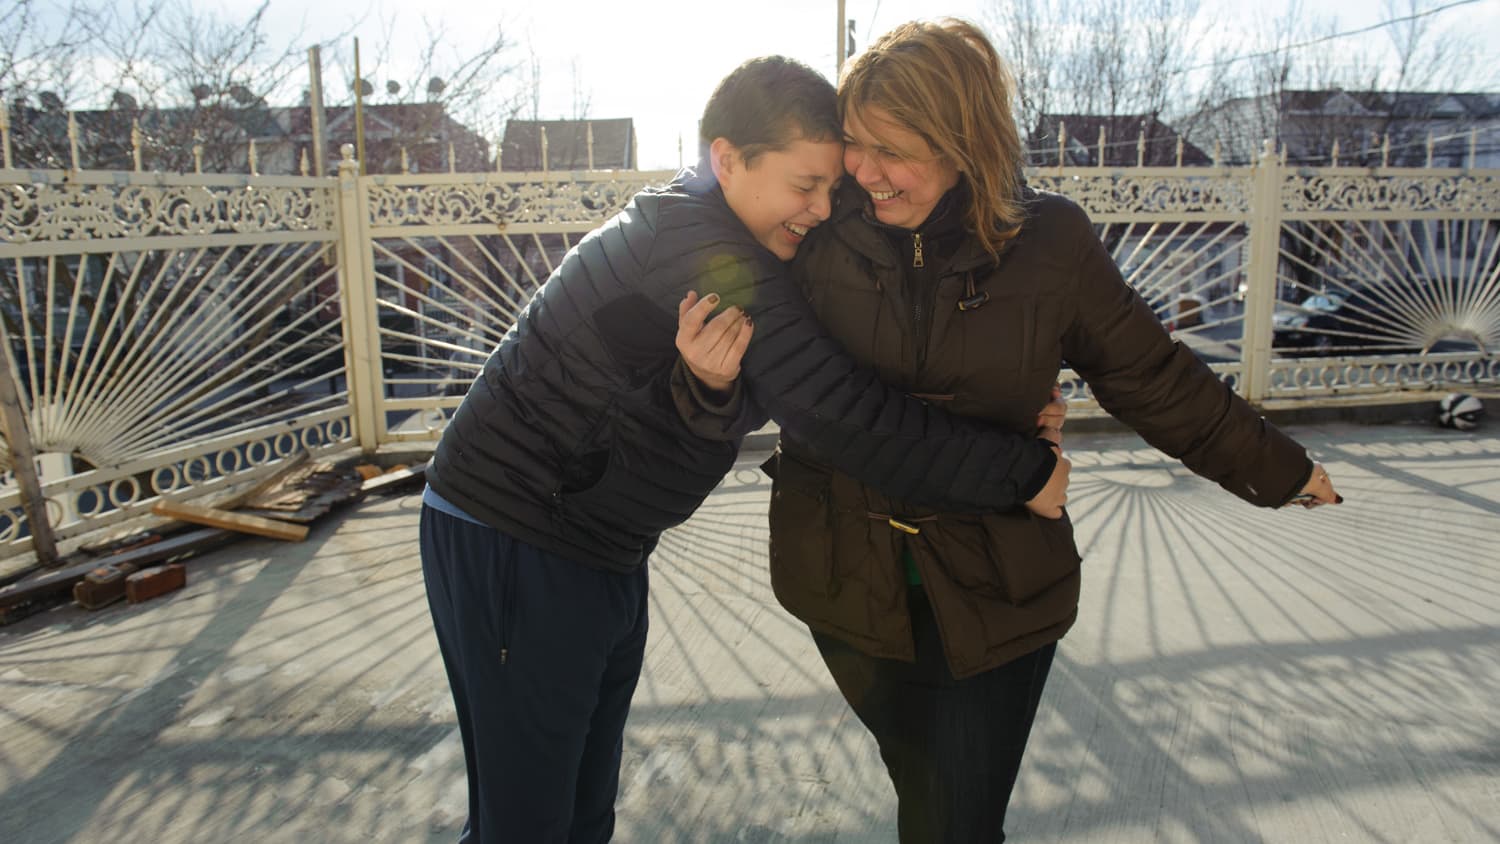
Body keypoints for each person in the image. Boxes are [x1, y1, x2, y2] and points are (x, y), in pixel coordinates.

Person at [674, 19, 1343, 843]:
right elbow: (750, 338)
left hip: (994, 586)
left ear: (964, 140)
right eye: (857, 144)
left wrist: (1278, 468)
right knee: (928, 787)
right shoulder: (821, 228)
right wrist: (704, 383)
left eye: (897, 150)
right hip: (843, 580)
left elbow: (1150, 374)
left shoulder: (1047, 241)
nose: (868, 174)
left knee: (952, 816)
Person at [420, 55, 1075, 843]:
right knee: (525, 825)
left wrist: (999, 403)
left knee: (579, 813)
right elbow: (840, 411)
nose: (824, 208)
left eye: (834, 187)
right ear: (727, 159)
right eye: (805, 186)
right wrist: (1020, 472)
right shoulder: (694, 249)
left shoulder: (743, 244)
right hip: (514, 535)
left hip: (598, 551)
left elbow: (707, 445)